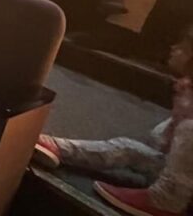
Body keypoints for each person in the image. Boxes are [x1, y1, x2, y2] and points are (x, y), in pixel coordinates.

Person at [32, 27, 193, 216]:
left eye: (184, 46)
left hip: (183, 197)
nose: (174, 47)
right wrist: (177, 117)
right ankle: (60, 148)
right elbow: (161, 145)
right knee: (127, 148)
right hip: (178, 177)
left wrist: (184, 118)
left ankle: (162, 201)